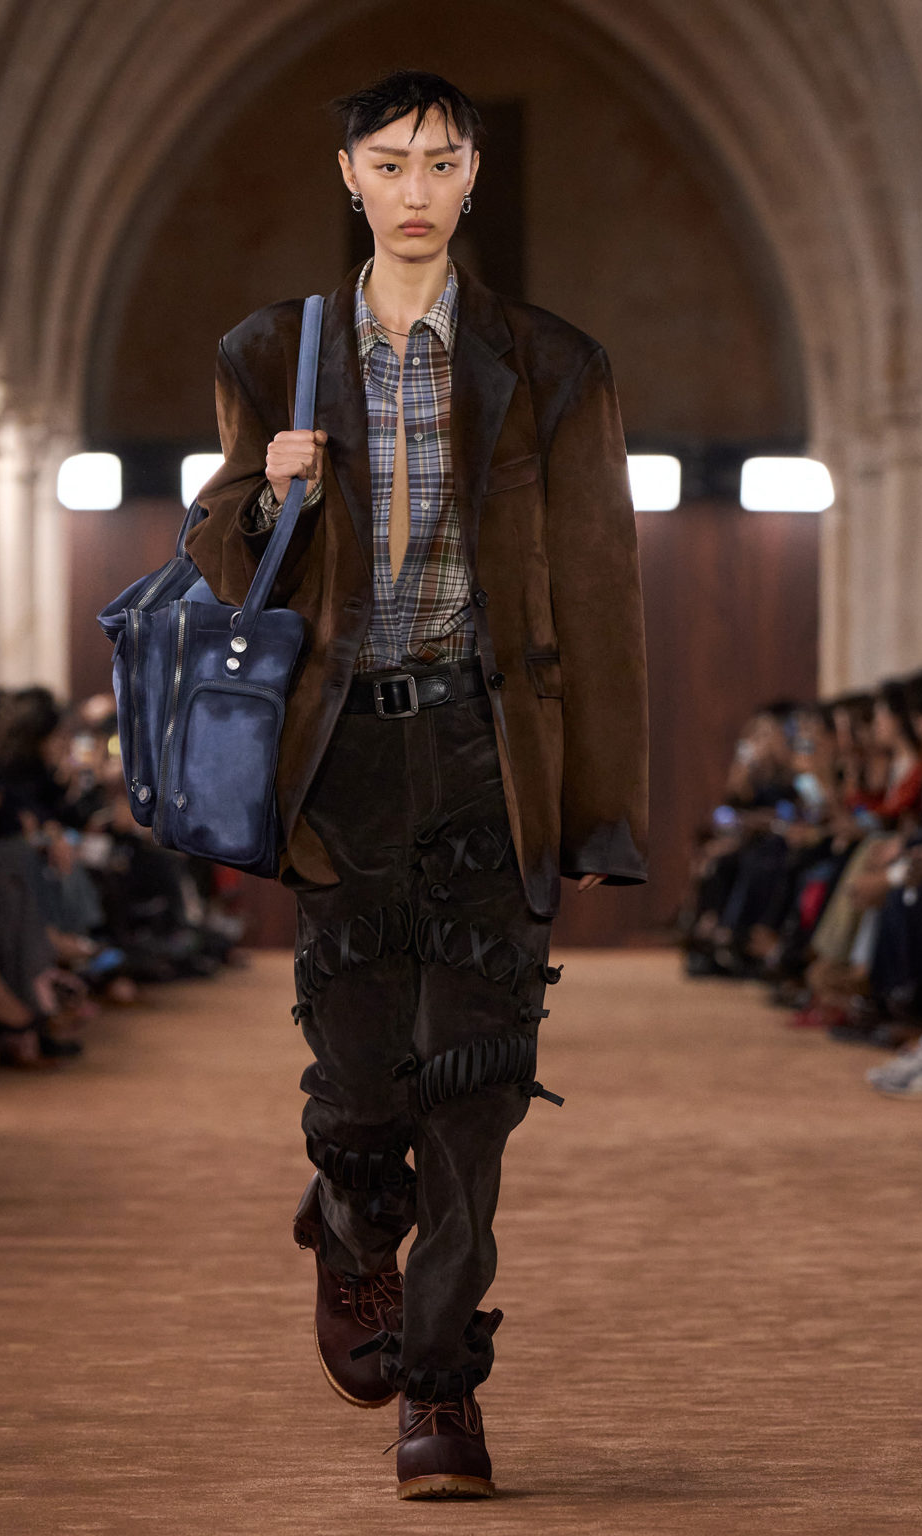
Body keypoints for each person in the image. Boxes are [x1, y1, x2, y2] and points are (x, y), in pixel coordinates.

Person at [186, 69, 648, 1501]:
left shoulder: (552, 363)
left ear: (473, 175)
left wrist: (598, 803)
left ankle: (441, 1386)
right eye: (389, 162)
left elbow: (600, 589)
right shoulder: (271, 352)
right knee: (364, 1077)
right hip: (342, 758)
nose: (416, 188)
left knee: (476, 1080)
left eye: (441, 161)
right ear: (349, 176)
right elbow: (220, 559)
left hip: (484, 747)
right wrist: (265, 495)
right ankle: (347, 1219)